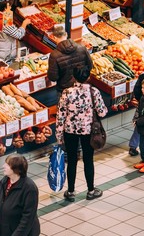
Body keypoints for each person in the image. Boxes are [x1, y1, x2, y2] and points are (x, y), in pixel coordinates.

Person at [56, 67, 107, 201]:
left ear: (74, 77)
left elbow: (61, 115)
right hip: (88, 131)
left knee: (72, 160)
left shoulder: (67, 92)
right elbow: (102, 112)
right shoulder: (93, 92)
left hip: (70, 131)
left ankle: (71, 191)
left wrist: (59, 134)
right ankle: (91, 190)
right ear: (88, 77)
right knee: (88, 160)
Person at [0, 155, 40, 236]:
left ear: (16, 169)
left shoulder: (29, 189)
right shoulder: (2, 183)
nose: (4, 166)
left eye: (7, 164)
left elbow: (27, 218)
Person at [47, 26, 93, 98]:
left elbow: (53, 77)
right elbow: (90, 66)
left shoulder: (54, 55)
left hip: (65, 91)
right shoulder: (82, 48)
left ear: (54, 37)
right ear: (66, 34)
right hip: (82, 87)